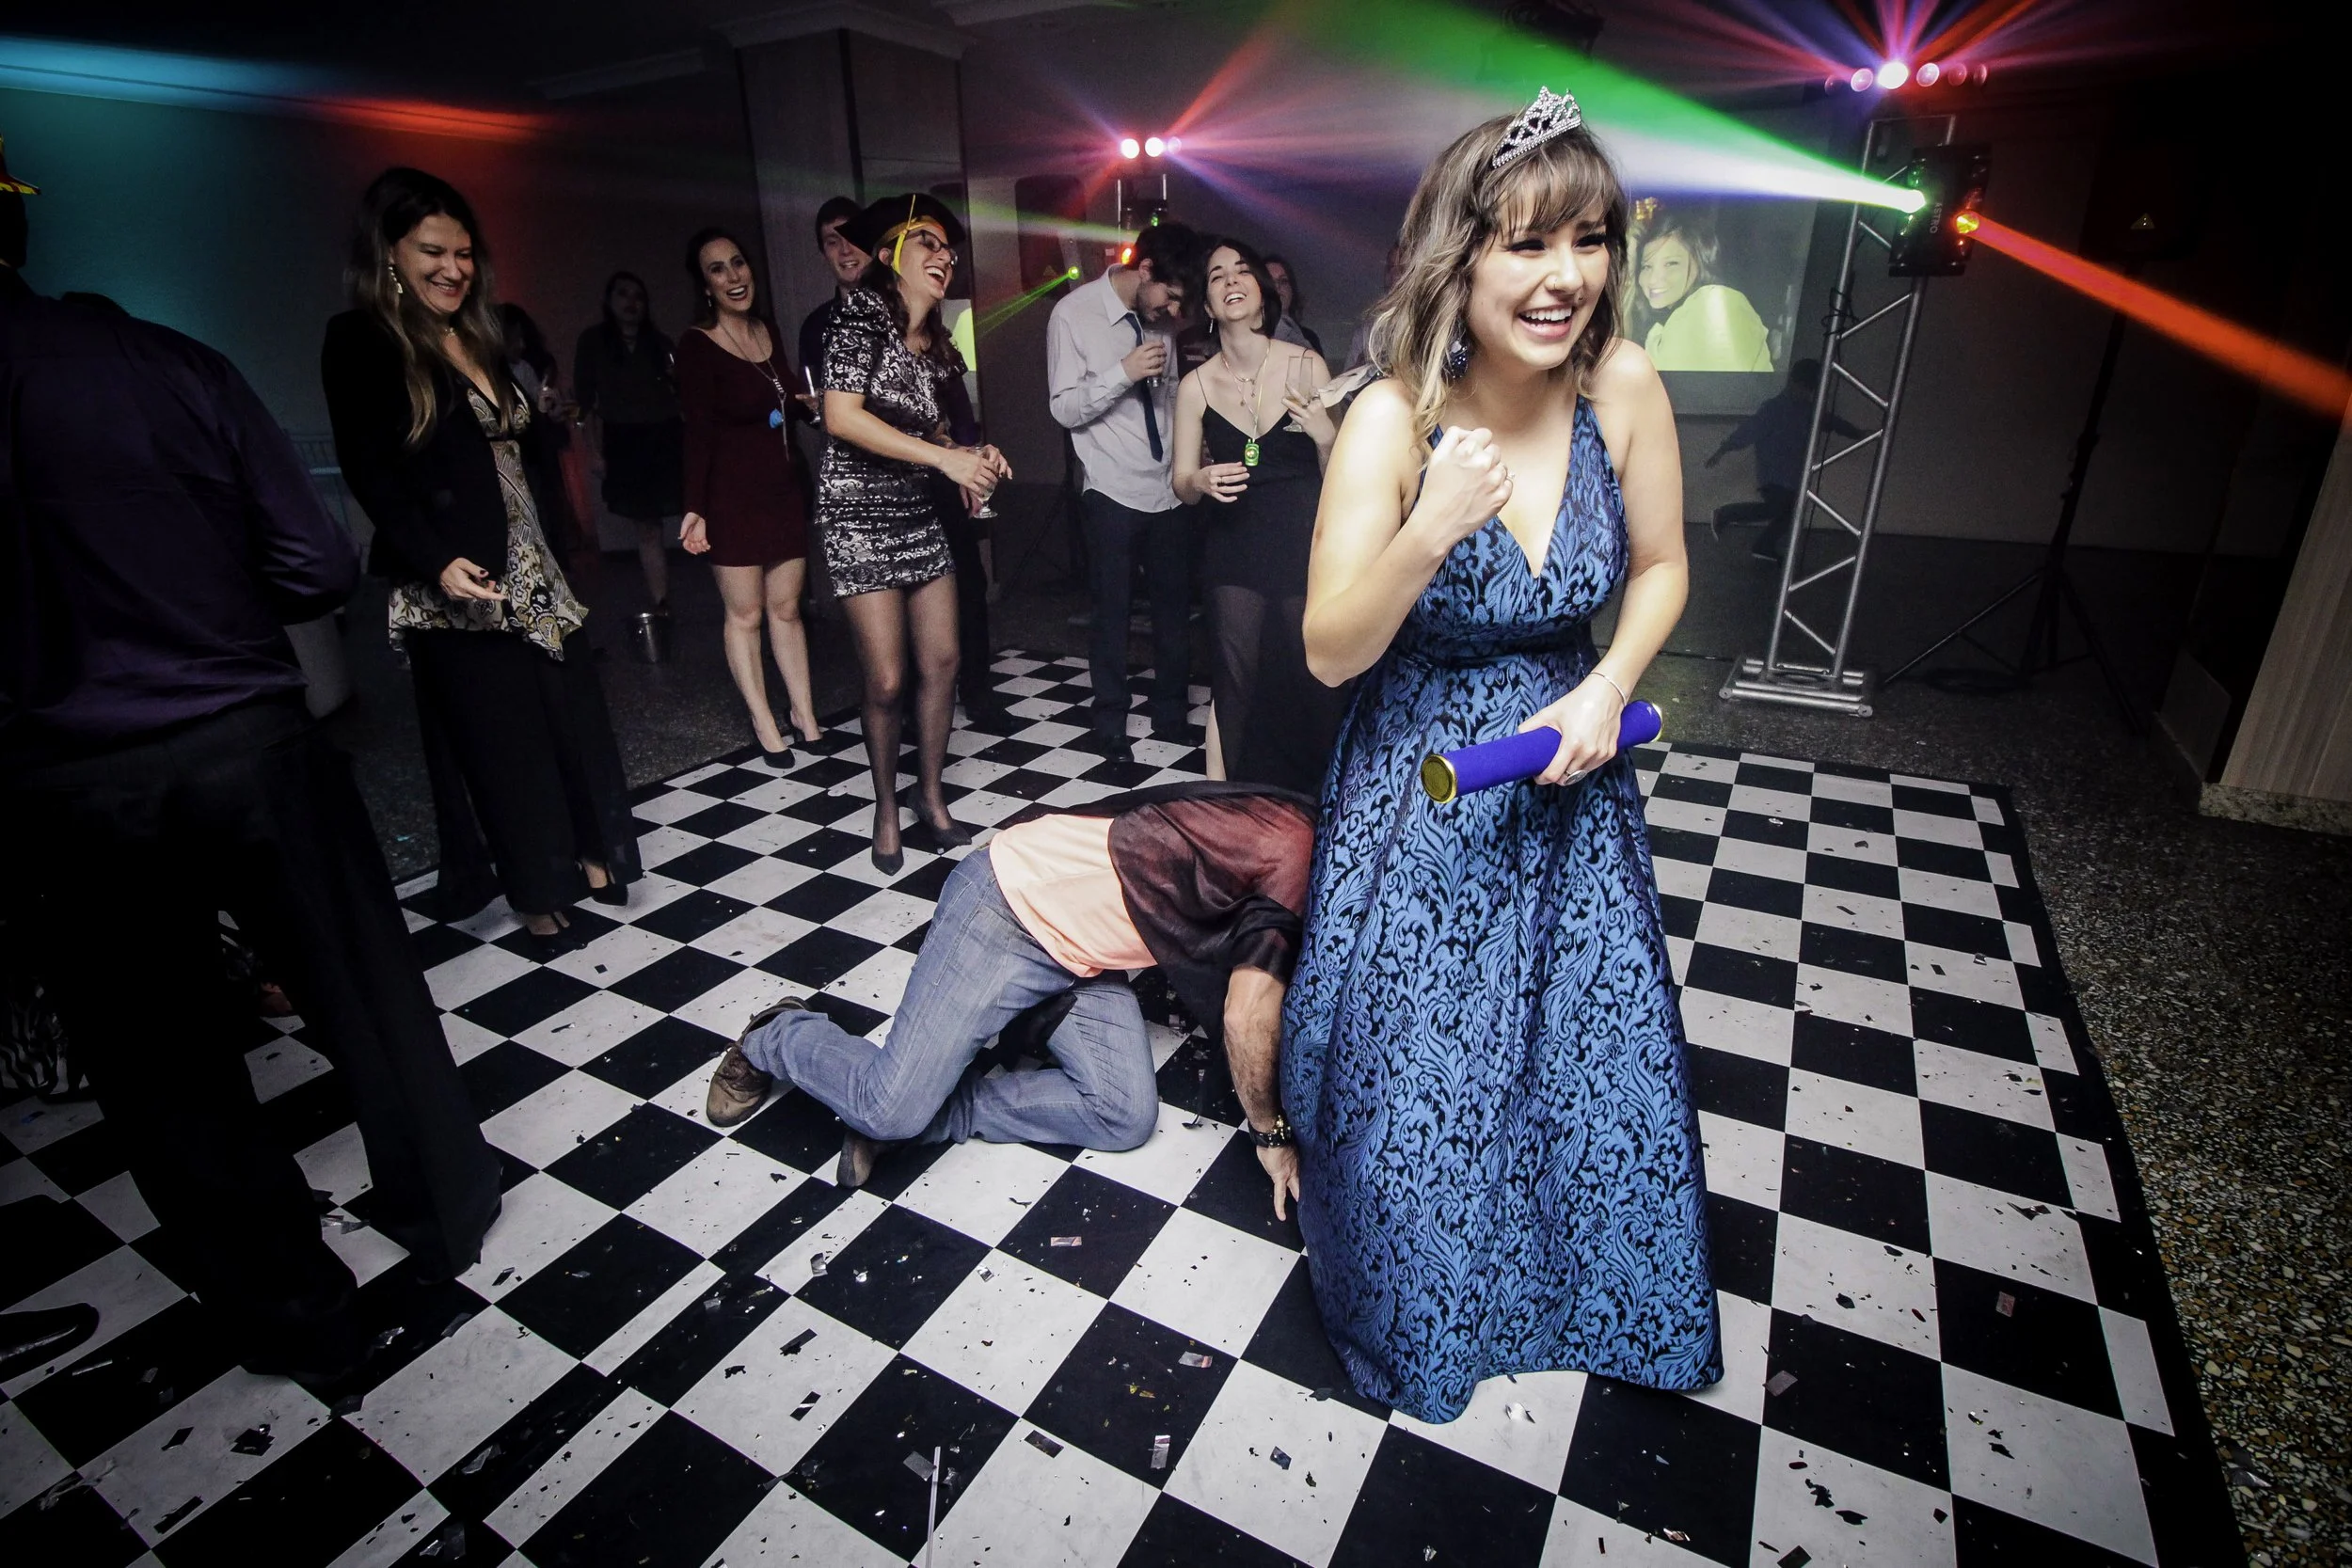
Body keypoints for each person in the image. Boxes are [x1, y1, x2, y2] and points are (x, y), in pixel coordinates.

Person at [3, 152, 501, 1378]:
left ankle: (296, 1315)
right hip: (245, 730)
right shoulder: (164, 362)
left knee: (167, 1066)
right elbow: (316, 565)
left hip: (66, 777)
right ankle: (445, 1211)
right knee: (366, 992)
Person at [1283, 88, 1720, 1423]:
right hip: (1424, 782)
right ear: (1459, 258)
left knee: (1577, 1057)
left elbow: (1662, 564)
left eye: (1588, 240)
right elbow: (1329, 650)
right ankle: (1427, 1314)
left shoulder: (1621, 386)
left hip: (1572, 768)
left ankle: (1583, 1297)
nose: (1564, 276)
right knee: (1420, 1072)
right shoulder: (1392, 418)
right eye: (1526, 243)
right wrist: (1428, 528)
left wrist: (1609, 682)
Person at [705, 783, 1311, 1210]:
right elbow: (1245, 1016)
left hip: (1085, 958)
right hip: (1006, 909)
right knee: (884, 1105)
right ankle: (775, 1034)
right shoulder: (1295, 850)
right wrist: (1271, 1134)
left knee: (1124, 1115)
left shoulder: (1304, 830)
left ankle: (935, 1116)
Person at [324, 167, 640, 945]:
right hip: (456, 573)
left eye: (464, 253)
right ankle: (537, 890)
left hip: (533, 562)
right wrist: (434, 559)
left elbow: (517, 449)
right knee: (502, 742)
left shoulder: (482, 330)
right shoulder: (361, 339)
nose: (453, 269)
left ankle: (589, 853)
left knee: (570, 719)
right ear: (390, 253)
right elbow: (370, 470)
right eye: (433, 252)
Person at [818, 194, 1009, 872]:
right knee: (888, 678)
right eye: (926, 242)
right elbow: (841, 416)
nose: (943, 256)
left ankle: (930, 796)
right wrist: (942, 458)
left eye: (948, 250)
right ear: (891, 254)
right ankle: (886, 806)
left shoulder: (936, 341)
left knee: (944, 661)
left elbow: (929, 429)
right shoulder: (859, 317)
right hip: (856, 514)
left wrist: (971, 455)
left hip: (916, 512)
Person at [1171, 239, 1350, 794]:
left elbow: (1342, 478)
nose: (1231, 280)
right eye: (1217, 275)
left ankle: (1322, 801)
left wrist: (1325, 436)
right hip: (1235, 545)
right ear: (1207, 303)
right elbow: (1180, 483)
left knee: (1311, 674)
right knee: (1234, 677)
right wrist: (1200, 481)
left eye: (1242, 271)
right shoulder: (1195, 386)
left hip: (1302, 542)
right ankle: (1229, 802)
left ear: (1260, 290)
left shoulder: (1305, 363)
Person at [1046, 220, 1211, 755]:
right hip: (1111, 489)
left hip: (1167, 487)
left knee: (1173, 611)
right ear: (1145, 270)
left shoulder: (1158, 319)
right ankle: (1110, 722)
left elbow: (1168, 400)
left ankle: (1171, 716)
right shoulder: (1073, 315)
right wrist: (1122, 372)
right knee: (1112, 613)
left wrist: (1189, 460)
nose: (1174, 312)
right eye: (1171, 297)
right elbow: (1064, 408)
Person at [676, 228, 821, 763]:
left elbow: (780, 400)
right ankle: (764, 720)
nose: (733, 277)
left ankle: (804, 715)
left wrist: (810, 405)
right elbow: (697, 432)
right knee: (746, 615)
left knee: (787, 609)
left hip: (782, 490)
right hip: (730, 499)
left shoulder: (768, 329)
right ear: (705, 285)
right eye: (717, 269)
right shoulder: (696, 344)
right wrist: (695, 508)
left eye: (738, 263)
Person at [574, 271, 684, 610]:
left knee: (688, 515)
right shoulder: (593, 342)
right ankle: (661, 602)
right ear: (609, 301)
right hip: (624, 440)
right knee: (646, 526)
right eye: (623, 294)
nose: (631, 302)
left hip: (665, 436)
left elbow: (682, 394)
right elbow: (586, 403)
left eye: (638, 296)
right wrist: (594, 451)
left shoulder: (660, 343)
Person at [1706, 357, 1860, 562]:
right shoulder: (1773, 408)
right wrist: (1723, 450)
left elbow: (1833, 422)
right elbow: (1747, 432)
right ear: (1793, 382)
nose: (1806, 393)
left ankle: (1764, 546)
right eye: (1804, 388)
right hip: (1773, 474)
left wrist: (1858, 434)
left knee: (1792, 513)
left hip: (1794, 474)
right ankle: (1725, 514)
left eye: (1810, 390)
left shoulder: (1808, 410)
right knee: (1776, 508)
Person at [1630, 200, 1772, 372]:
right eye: (1647, 266)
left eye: (1671, 263)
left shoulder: (1714, 304)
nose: (1653, 279)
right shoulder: (1678, 318)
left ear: (1701, 261)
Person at [797, 195, 868, 396]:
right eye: (833, 242)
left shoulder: (904, 310)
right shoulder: (814, 328)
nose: (845, 250)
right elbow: (811, 399)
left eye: (852, 236)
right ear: (823, 254)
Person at [1264, 252, 1325, 356]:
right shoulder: (1249, 337)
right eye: (1270, 281)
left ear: (1292, 290)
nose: (1277, 286)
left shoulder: (1309, 338)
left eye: (1283, 281)